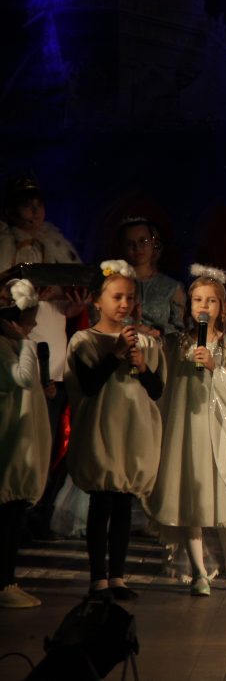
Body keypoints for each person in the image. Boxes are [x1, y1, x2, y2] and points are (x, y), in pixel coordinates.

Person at [147, 264, 226, 596]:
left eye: (211, 301)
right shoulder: (176, 344)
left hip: (221, 432)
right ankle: (198, 570)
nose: (203, 306)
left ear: (221, 307)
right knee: (191, 498)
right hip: (187, 434)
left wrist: (215, 367)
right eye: (198, 300)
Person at [63, 260, 165, 600]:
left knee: (123, 504)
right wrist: (116, 354)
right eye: (117, 297)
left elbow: (156, 390)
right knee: (102, 502)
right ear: (97, 300)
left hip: (132, 431)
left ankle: (118, 576)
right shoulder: (84, 341)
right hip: (101, 430)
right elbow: (89, 385)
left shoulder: (145, 343)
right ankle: (99, 578)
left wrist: (142, 366)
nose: (124, 305)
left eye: (130, 298)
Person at [0, 177, 89, 537]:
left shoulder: (55, 243)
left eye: (39, 204)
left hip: (53, 356)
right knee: (21, 440)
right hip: (16, 353)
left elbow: (69, 305)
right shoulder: (5, 244)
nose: (35, 211)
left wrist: (73, 304)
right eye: (27, 204)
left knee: (51, 440)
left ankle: (37, 514)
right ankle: (14, 516)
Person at [0, 279, 50, 607]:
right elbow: (22, 378)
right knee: (8, 510)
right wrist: (24, 342)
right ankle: (4, 583)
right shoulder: (7, 345)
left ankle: (7, 579)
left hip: (22, 433)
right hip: (11, 436)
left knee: (13, 511)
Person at [116, 216, 186, 337]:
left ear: (153, 243)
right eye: (130, 243)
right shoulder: (113, 286)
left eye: (143, 241)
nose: (137, 248)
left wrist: (159, 332)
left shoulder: (172, 287)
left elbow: (181, 330)